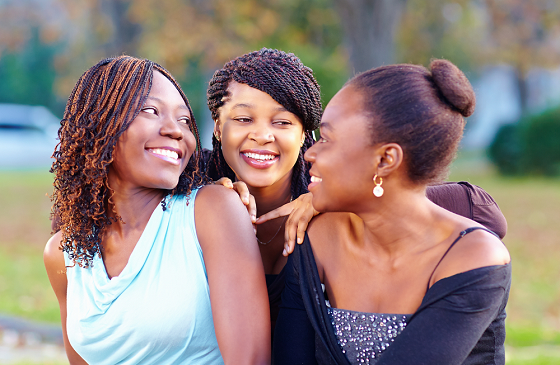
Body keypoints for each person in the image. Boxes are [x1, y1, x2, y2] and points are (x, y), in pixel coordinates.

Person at [202, 48, 507, 334]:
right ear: (217, 125)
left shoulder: (331, 186)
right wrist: (206, 202)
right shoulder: (193, 183)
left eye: (282, 122)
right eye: (243, 119)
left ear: (305, 133)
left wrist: (333, 199)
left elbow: (481, 209)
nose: (262, 135)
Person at [273, 60, 511, 364]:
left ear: (386, 159)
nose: (310, 153)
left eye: (328, 139)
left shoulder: (472, 257)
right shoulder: (316, 239)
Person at [43, 56, 270, 364]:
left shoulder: (212, 212)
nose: (177, 131)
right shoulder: (62, 252)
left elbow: (251, 360)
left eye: (184, 121)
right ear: (99, 123)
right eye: (150, 110)